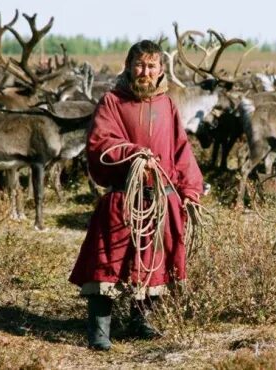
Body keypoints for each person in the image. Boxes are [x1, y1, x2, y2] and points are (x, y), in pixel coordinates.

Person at [69, 40, 203, 350]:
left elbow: (181, 150)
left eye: (151, 66)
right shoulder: (112, 101)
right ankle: (99, 332)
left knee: (153, 261)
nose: (145, 71)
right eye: (139, 65)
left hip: (160, 198)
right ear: (129, 66)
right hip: (121, 198)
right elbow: (100, 142)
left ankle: (141, 322)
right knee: (107, 262)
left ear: (160, 70)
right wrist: (132, 153)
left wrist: (190, 188)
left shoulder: (167, 105)